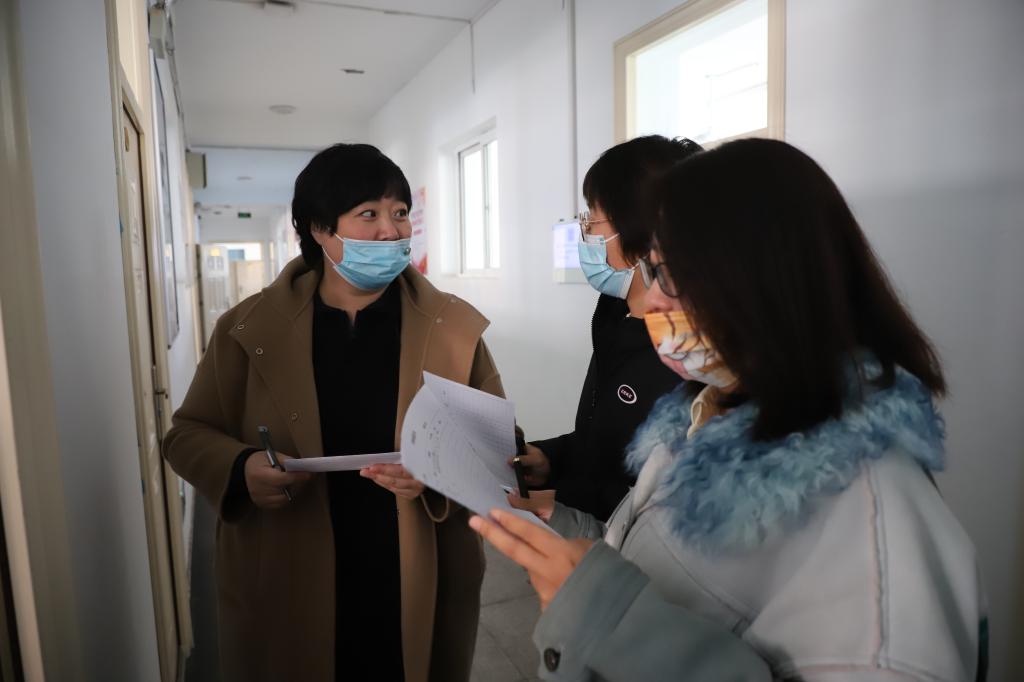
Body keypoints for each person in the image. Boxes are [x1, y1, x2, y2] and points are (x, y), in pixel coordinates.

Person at [472, 139, 987, 681]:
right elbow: (645, 559)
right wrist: (565, 529)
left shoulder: (878, 529)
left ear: (765, 277)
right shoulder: (697, 419)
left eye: (673, 273)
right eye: (654, 270)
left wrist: (603, 616)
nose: (652, 301)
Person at [164, 143, 508, 682]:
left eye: (400, 213)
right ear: (320, 229)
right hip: (288, 560)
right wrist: (240, 468)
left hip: (411, 563)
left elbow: (497, 450)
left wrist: (435, 474)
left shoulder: (451, 327)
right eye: (368, 214)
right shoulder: (247, 329)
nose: (391, 231)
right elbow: (186, 434)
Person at [516, 135, 703, 520]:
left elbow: (656, 499)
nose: (585, 231)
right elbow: (601, 443)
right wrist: (551, 459)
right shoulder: (614, 316)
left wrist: (562, 499)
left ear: (638, 229)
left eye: (593, 217)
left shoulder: (687, 350)